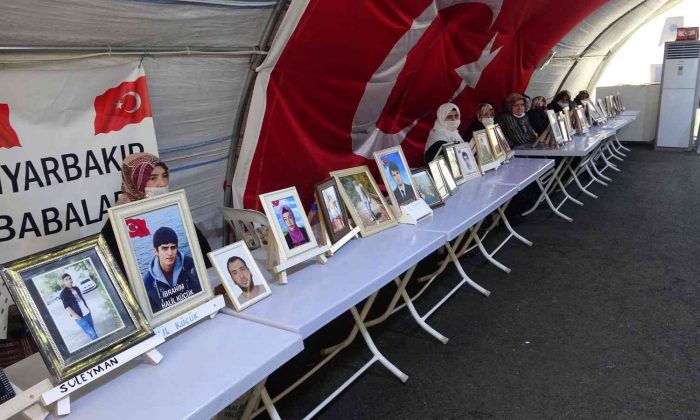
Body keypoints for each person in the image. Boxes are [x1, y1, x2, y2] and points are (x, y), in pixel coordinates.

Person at [101, 153, 212, 270]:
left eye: (164, 176)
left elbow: (203, 252)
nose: (162, 183)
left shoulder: (175, 211)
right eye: (152, 178)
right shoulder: (118, 222)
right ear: (134, 181)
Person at [143, 227, 202, 313]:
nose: (170, 253)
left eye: (173, 247)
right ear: (156, 251)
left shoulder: (190, 264)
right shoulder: (148, 282)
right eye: (165, 248)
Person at [60, 273, 98, 341]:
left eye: (70, 278)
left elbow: (81, 299)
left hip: (87, 313)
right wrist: (77, 316)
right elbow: (67, 307)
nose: (69, 280)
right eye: (66, 279)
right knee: (92, 334)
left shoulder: (76, 288)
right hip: (79, 317)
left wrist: (87, 308)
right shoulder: (63, 294)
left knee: (93, 331)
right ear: (63, 282)